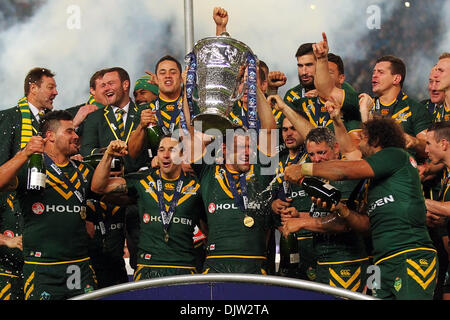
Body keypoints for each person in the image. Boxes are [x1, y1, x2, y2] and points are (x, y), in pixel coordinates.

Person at [284, 117, 437, 300]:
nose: (358, 143)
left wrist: (305, 169)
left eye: (362, 138)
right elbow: (365, 226)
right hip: (380, 262)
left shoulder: (395, 155)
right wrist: (343, 210)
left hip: (409, 253)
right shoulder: (371, 184)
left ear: (376, 140)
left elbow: (345, 170)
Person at [0, 110, 98, 300]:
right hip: (42, 269)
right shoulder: (30, 166)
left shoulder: (83, 169)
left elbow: (104, 191)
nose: (76, 136)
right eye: (69, 131)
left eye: (75, 131)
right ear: (50, 136)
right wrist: (25, 153)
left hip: (79, 266)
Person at [91, 136, 205, 279]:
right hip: (148, 268)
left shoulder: (197, 186)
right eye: (161, 150)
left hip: (184, 267)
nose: (165, 155)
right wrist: (109, 154)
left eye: (172, 150)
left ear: (182, 155)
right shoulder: (143, 180)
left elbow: (207, 225)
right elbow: (97, 187)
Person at [355, 48, 432, 160]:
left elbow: (428, 148)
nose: (374, 75)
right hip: (371, 171)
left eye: (381, 72)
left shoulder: (415, 109)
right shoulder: (365, 104)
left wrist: (414, 141)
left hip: (401, 172)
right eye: (374, 72)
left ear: (396, 79)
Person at [285, 39, 362, 147]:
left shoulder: (345, 91)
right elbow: (277, 134)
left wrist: (323, 92)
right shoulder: (293, 96)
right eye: (300, 66)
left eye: (309, 65)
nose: (304, 72)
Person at [423, 121, 450, 300]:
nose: (425, 150)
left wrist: (416, 200)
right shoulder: (446, 175)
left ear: (444, 144)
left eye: (428, 144)